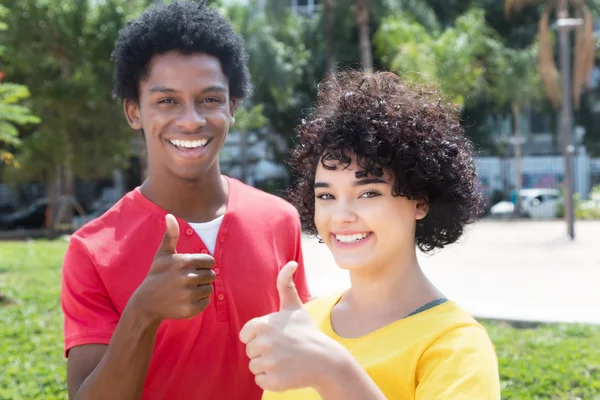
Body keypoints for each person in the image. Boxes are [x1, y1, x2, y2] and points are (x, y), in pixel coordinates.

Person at [60, 2, 311, 399]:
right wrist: (142, 313)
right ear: (134, 112)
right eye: (167, 101)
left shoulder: (280, 220)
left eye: (210, 99)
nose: (191, 119)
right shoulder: (92, 250)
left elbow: (305, 363)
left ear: (232, 107)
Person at [240, 70, 501, 399]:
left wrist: (332, 372)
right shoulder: (304, 326)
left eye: (368, 194)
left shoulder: (455, 346)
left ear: (420, 200)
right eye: (326, 196)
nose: (342, 216)